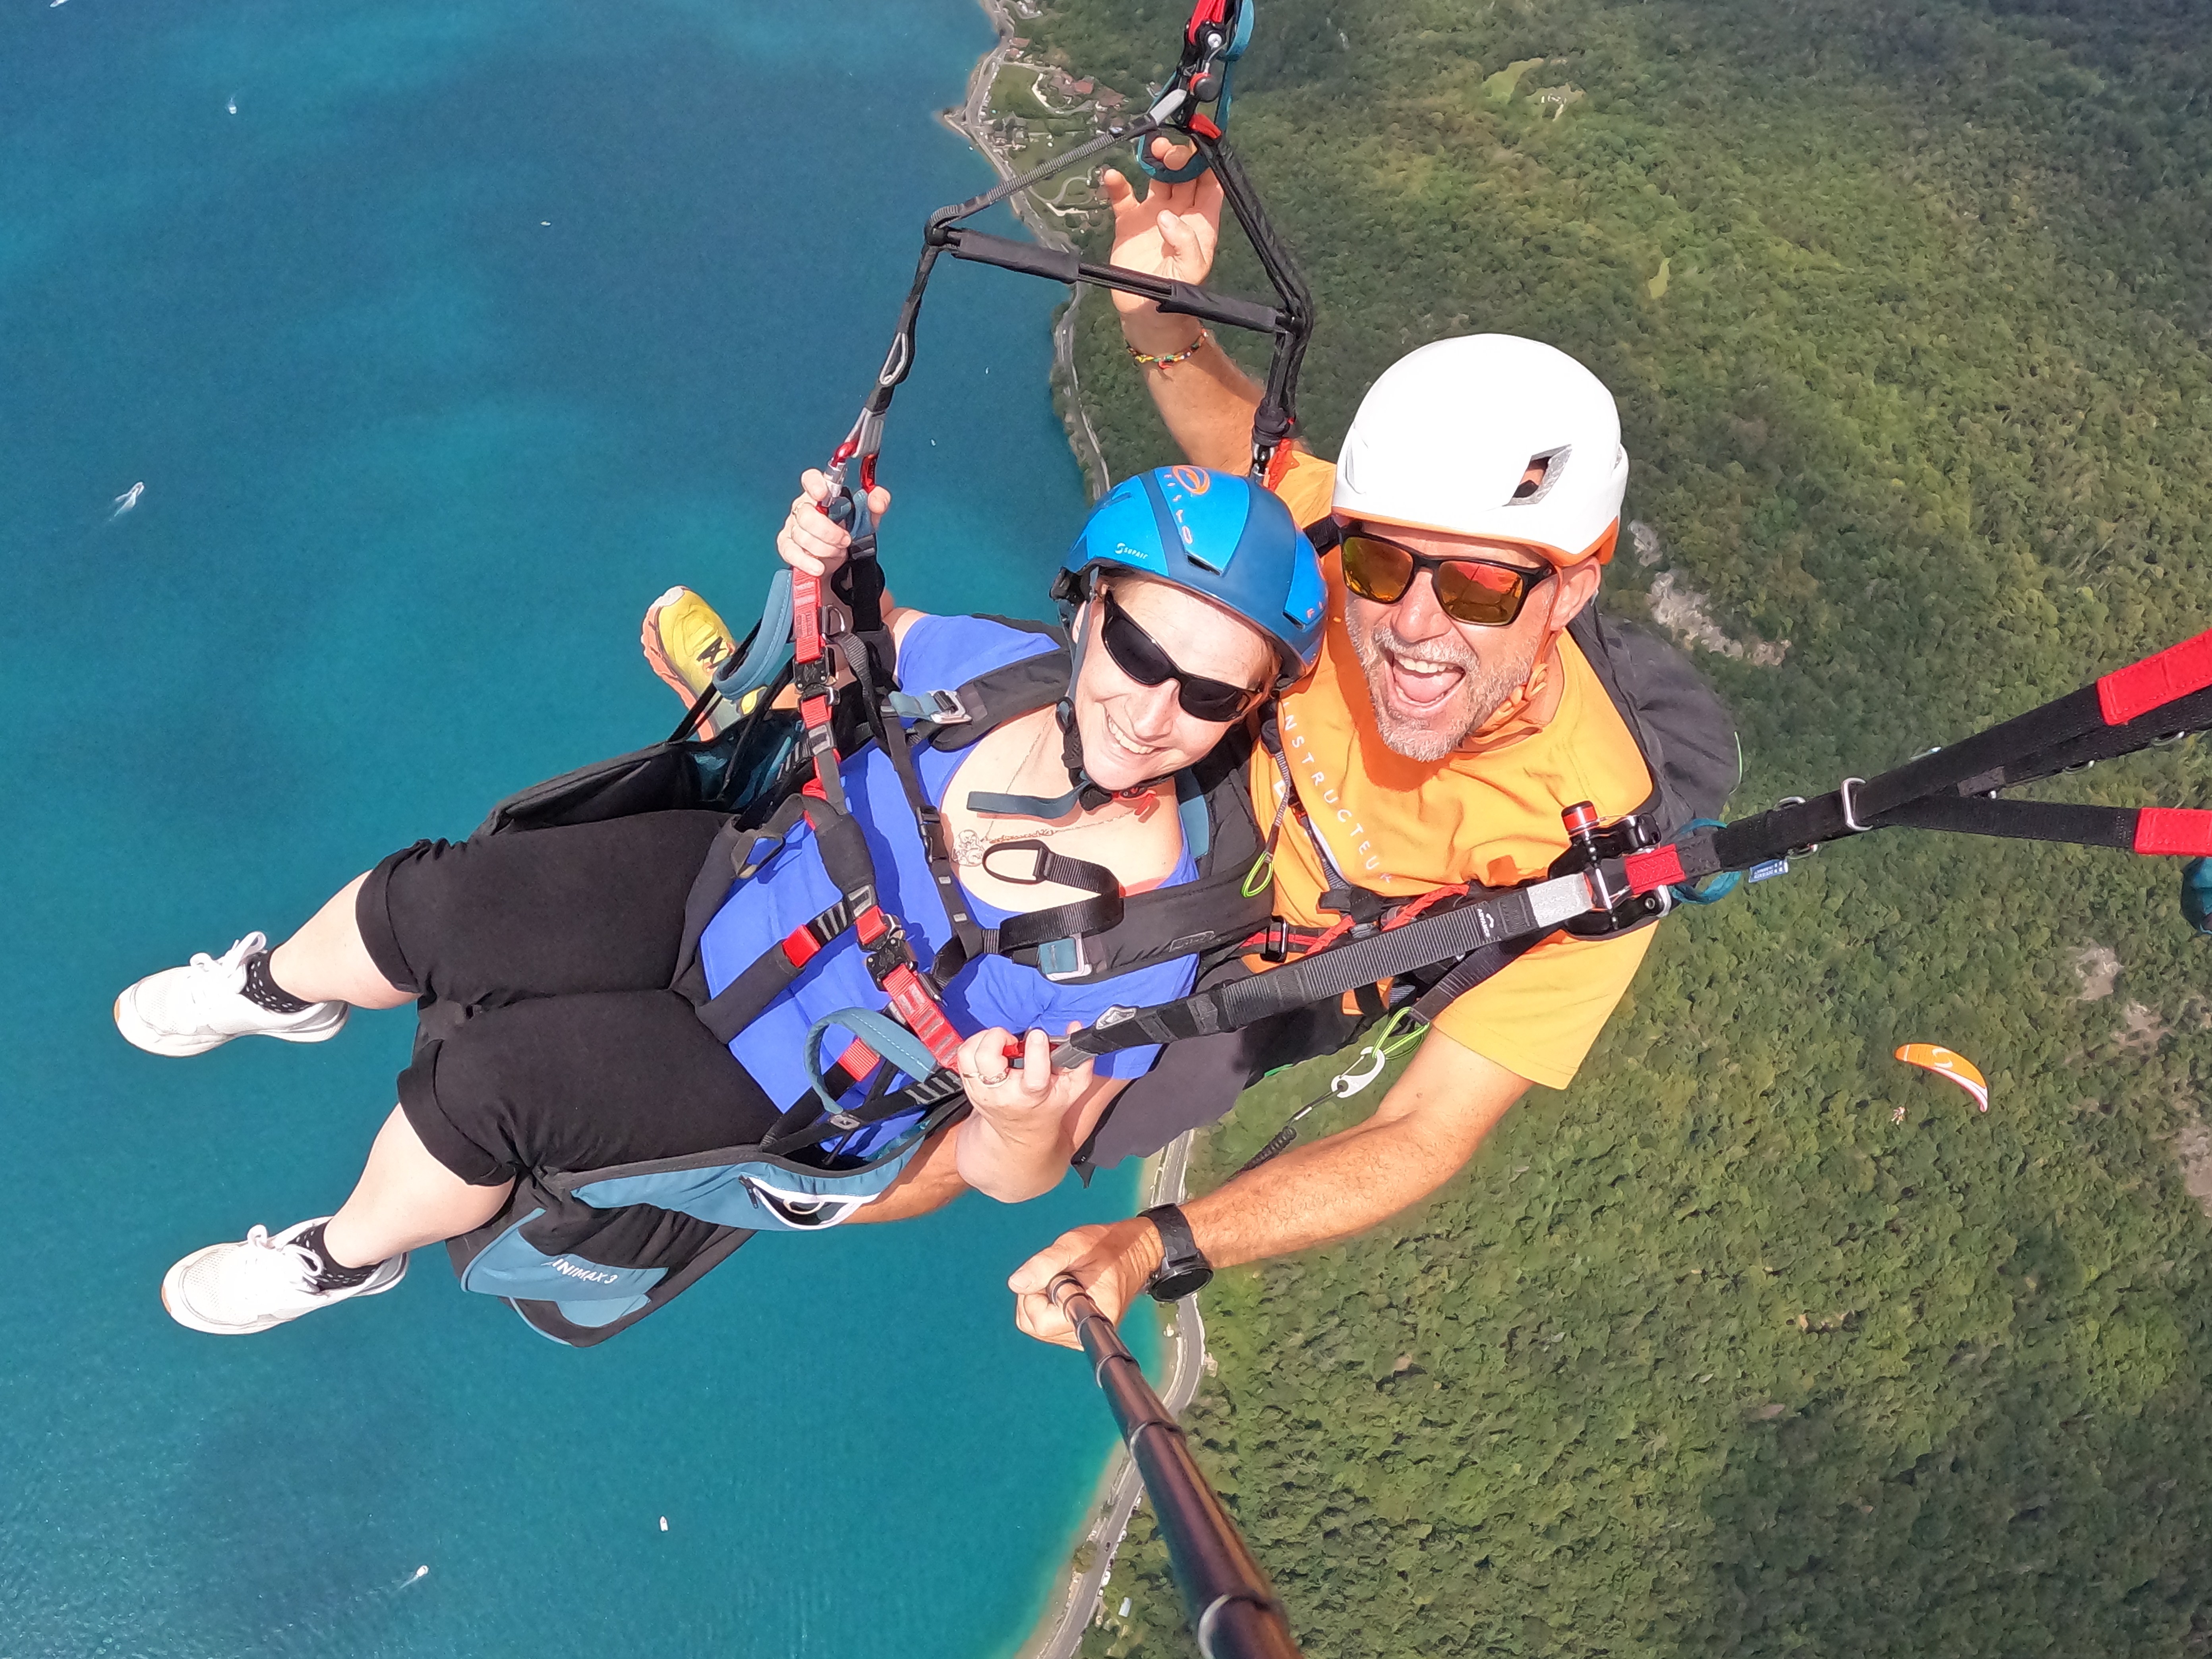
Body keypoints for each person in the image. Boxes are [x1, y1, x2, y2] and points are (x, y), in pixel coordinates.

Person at [113, 464, 1323, 1339]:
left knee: (489, 1093)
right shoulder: (999, 670)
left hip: (776, 1083)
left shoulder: (1151, 943)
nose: (1152, 713)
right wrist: (823, 561)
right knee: (438, 902)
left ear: (1249, 712)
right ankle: (276, 988)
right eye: (1140, 653)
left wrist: (1015, 1120)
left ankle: (337, 1257)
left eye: (1209, 698)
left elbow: (1007, 1171)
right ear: (1089, 611)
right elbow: (859, 636)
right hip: (727, 880)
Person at [1004, 150, 1721, 1345]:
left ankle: (788, 1186)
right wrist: (1155, 317)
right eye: (1388, 566)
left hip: (1282, 967)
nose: (1417, 620)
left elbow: (1424, 1128)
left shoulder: (1595, 843)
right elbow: (1246, 454)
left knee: (1008, 1111)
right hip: (1205, 776)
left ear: (1570, 590)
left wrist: (1157, 1243)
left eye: (1482, 587)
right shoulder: (1354, 545)